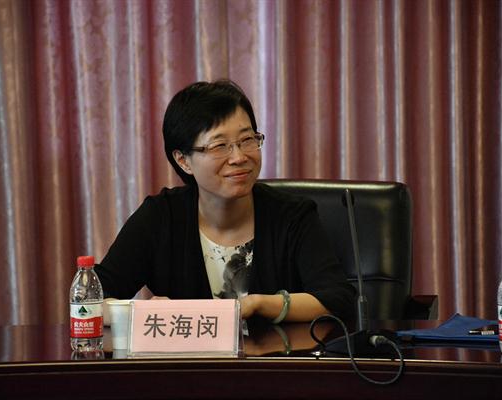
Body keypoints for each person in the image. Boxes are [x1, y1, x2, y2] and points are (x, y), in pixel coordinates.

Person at [95, 79, 356, 323]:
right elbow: (89, 301)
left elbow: (338, 299)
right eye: (219, 146)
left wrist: (260, 304)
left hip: (277, 357)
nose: (239, 157)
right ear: (183, 160)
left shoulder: (292, 215)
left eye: (247, 140)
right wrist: (140, 313)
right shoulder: (159, 217)